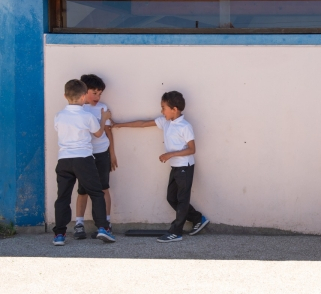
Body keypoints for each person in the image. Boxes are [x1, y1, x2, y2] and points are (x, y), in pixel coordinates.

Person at [112, 91, 209, 243]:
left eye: (163, 107)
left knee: (182, 199)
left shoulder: (185, 126)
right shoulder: (166, 122)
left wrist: (170, 155)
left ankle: (176, 232)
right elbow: (143, 124)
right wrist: (119, 125)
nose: (161, 111)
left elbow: (192, 149)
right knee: (171, 198)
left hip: (185, 167)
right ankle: (198, 218)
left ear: (174, 109)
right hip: (176, 167)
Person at [53, 79, 115, 246]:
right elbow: (99, 133)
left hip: (64, 160)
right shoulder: (87, 116)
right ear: (83, 97)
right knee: (96, 192)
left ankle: (59, 234)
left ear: (65, 96)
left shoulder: (59, 116)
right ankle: (103, 228)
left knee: (63, 197)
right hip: (83, 159)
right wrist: (103, 118)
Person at [74, 74, 117, 239]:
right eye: (94, 93)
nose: (98, 97)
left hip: (101, 153)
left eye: (100, 94)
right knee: (82, 190)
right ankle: (79, 223)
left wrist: (112, 154)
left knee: (103, 187)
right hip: (84, 155)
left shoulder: (102, 108)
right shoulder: (79, 109)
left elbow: (107, 132)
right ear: (84, 91)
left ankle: (106, 223)